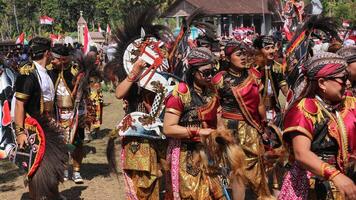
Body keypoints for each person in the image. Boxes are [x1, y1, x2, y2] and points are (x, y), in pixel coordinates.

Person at [279, 52, 356, 200]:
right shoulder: (305, 109)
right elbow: (302, 154)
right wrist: (335, 175)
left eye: (348, 78)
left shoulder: (349, 103)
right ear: (322, 83)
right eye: (342, 79)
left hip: (347, 181)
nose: (347, 83)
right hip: (313, 185)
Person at [163, 47, 227, 199]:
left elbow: (219, 123)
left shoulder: (211, 93)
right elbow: (168, 128)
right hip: (185, 155)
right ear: (193, 72)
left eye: (212, 71)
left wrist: (223, 140)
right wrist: (198, 132)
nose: (210, 76)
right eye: (205, 73)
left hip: (209, 153)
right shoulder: (181, 92)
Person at [212, 41, 274, 199]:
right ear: (227, 58)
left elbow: (259, 103)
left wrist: (264, 125)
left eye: (245, 54)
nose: (243, 58)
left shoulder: (254, 75)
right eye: (239, 55)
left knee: (257, 168)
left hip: (251, 128)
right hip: (230, 128)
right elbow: (215, 106)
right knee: (236, 171)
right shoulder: (219, 79)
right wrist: (220, 130)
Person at [14, 37, 67, 199]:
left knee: (54, 165)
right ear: (47, 52)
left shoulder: (47, 72)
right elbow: (19, 105)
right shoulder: (28, 74)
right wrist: (20, 132)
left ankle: (53, 196)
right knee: (36, 170)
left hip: (49, 126)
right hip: (33, 129)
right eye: (50, 52)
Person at [51, 44, 86, 184]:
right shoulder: (49, 73)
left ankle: (76, 171)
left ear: (63, 59)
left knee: (77, 142)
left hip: (75, 113)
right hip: (57, 113)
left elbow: (84, 93)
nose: (51, 61)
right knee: (61, 142)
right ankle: (64, 168)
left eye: (54, 58)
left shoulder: (76, 72)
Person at [253, 35, 289, 122]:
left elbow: (283, 86)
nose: (272, 51)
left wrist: (291, 98)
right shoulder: (253, 68)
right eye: (267, 48)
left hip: (274, 108)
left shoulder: (278, 67)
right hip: (256, 110)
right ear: (259, 51)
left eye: (273, 47)